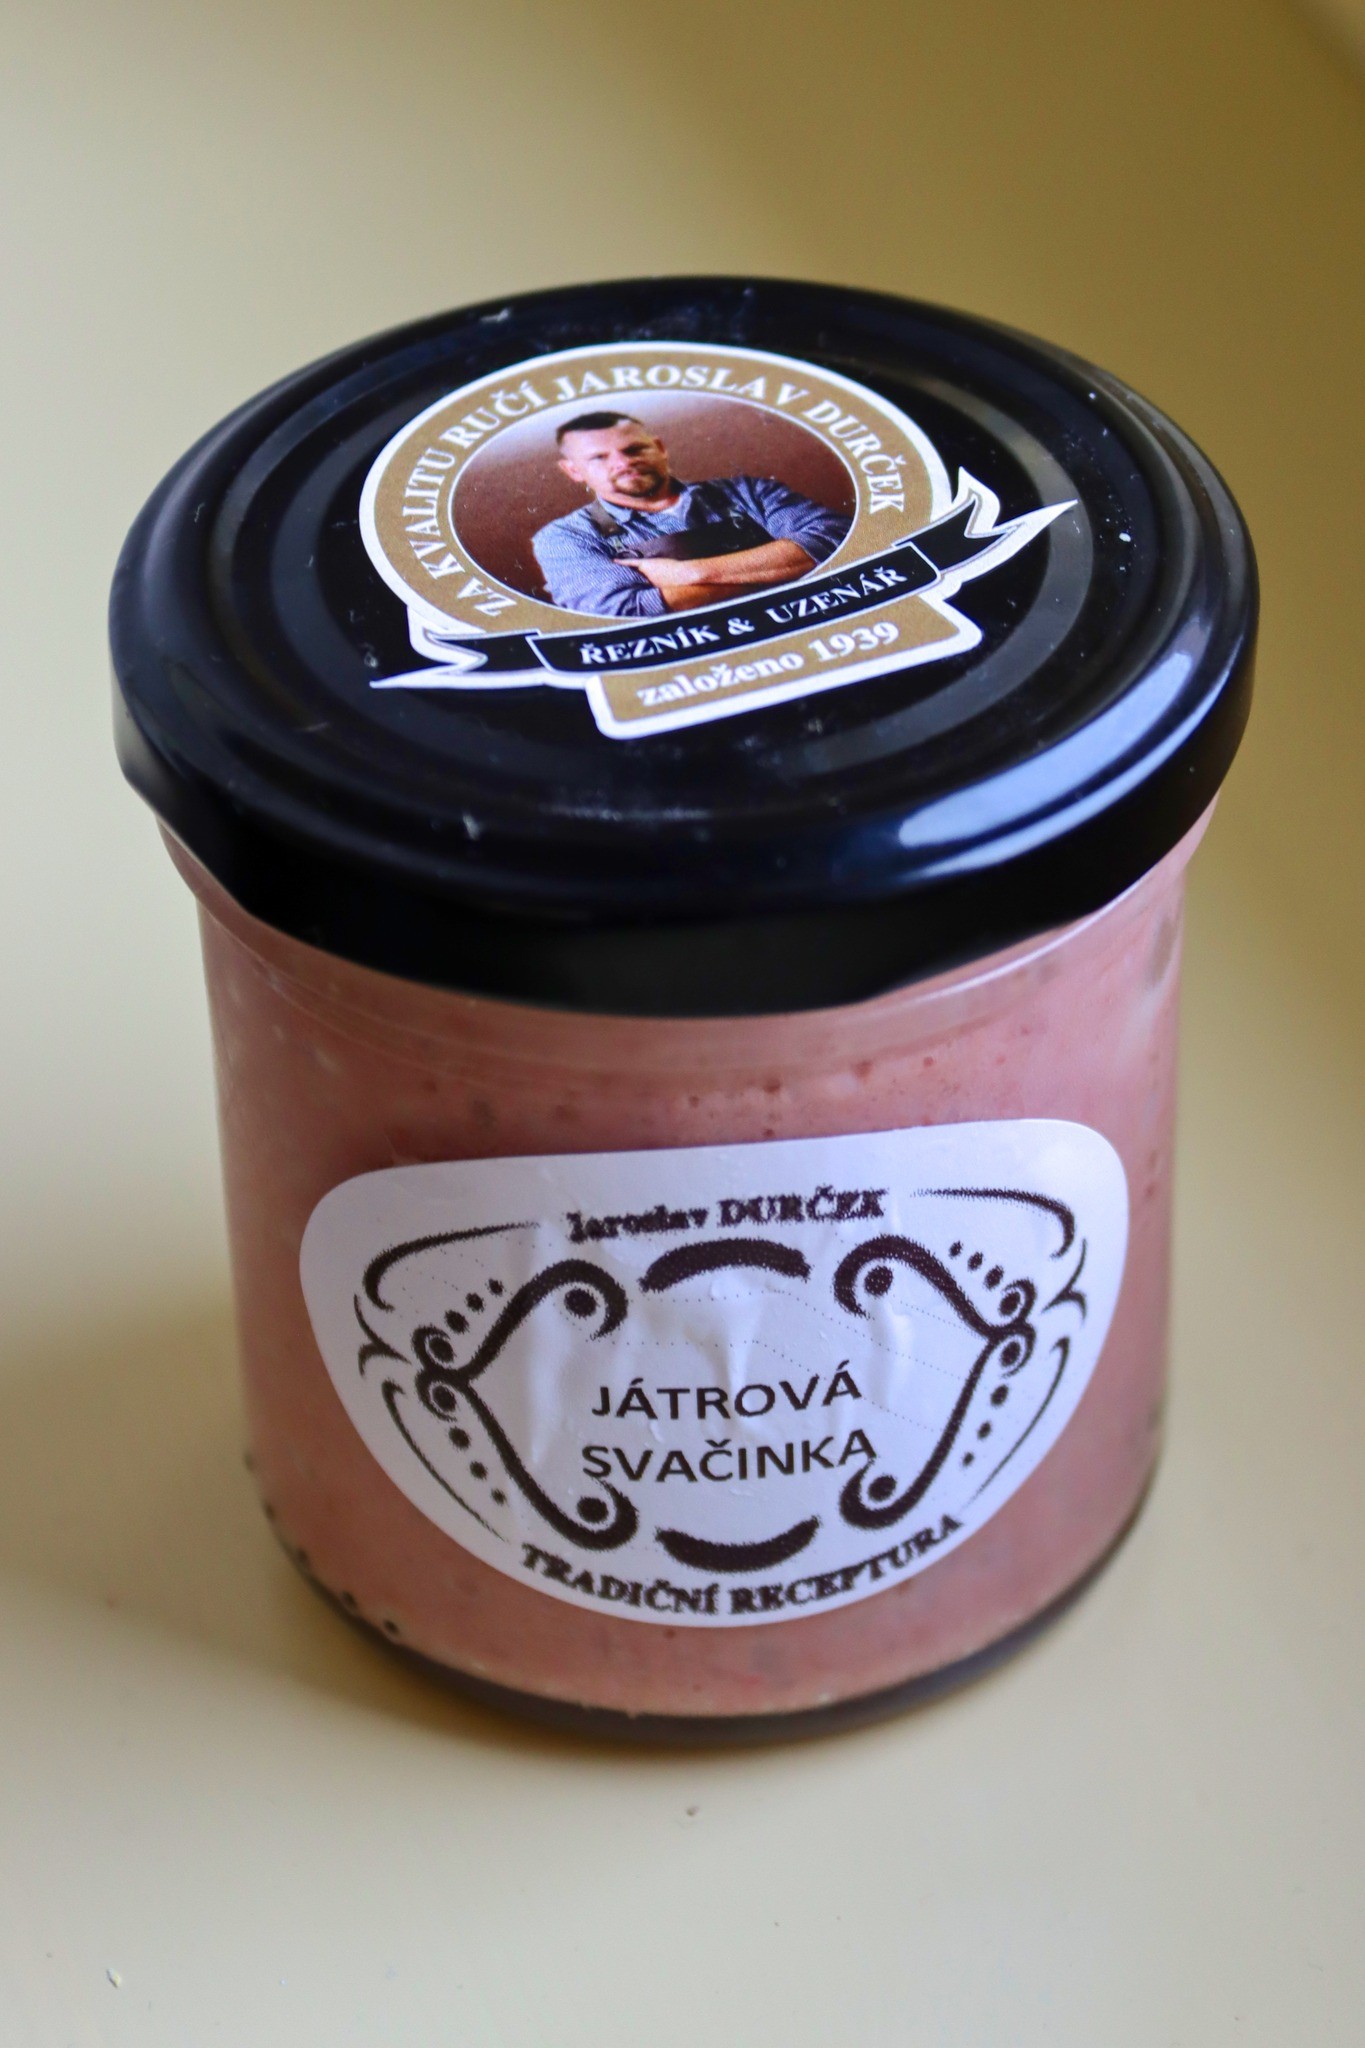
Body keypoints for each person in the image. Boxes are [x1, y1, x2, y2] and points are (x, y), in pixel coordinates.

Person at [531, 411, 850, 619]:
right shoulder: (566, 537)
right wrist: (777, 568)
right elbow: (623, 612)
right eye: (599, 457)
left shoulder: (749, 491)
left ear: (659, 448)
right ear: (573, 470)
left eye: (634, 449)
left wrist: (691, 573)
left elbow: (836, 539)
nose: (623, 463)